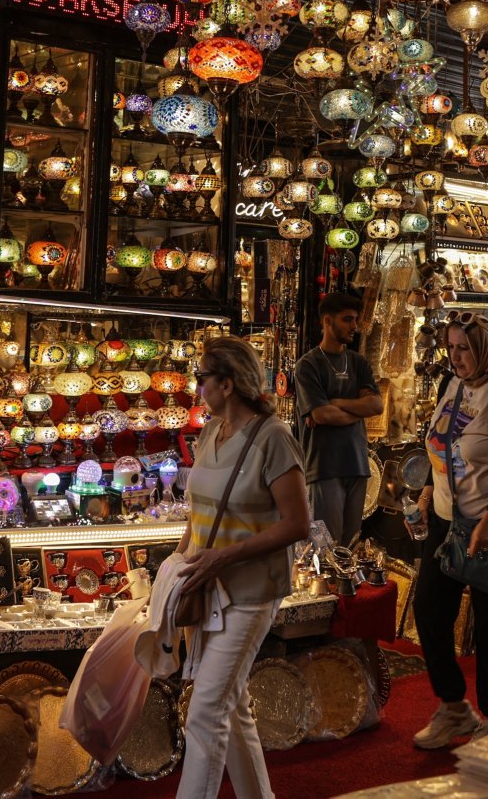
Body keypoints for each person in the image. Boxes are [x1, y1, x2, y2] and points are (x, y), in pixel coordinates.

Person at [175, 336, 310, 799]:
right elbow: (200, 513)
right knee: (231, 710)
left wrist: (224, 557)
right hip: (209, 585)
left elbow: (297, 523)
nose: (199, 389)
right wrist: (180, 562)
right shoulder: (211, 432)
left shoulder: (273, 437)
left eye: (202, 379)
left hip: (251, 590)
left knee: (206, 710)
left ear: (227, 384)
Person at [412, 311, 488, 747]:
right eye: (451, 347)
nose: (456, 356)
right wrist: (428, 490)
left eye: (464, 348)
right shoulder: (452, 385)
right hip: (448, 519)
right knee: (428, 612)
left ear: (484, 347)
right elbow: (441, 442)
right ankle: (453, 707)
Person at [294, 291, 382, 546]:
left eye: (355, 319)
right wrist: (356, 409)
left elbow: (376, 405)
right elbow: (321, 414)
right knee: (326, 546)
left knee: (352, 545)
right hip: (324, 467)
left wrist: (337, 403)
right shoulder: (308, 365)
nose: (354, 326)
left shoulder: (357, 362)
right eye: (347, 319)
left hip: (357, 463)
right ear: (327, 322)